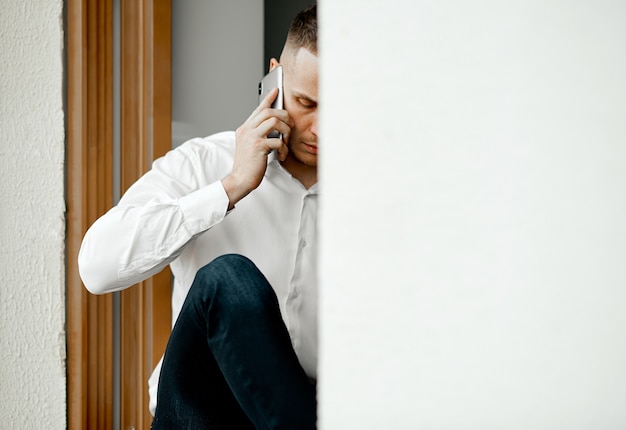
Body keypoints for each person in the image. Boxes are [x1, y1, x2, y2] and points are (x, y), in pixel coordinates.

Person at [78, 5, 319, 428]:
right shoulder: (205, 163)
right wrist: (229, 189)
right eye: (306, 103)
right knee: (226, 278)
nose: (322, 128)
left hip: (310, 408)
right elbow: (96, 268)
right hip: (199, 411)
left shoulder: (374, 201)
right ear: (275, 78)